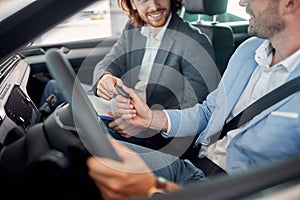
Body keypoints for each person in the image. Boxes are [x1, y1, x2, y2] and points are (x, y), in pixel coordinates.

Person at [86, 0, 300, 199]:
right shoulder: (248, 51)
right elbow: (208, 111)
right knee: (90, 153)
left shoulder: (194, 40)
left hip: (233, 188)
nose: (243, 1)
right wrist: (151, 118)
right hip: (195, 165)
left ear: (290, 2)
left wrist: (155, 190)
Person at [40, 0, 218, 151]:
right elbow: (109, 62)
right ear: (132, 3)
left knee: (69, 127)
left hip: (152, 131)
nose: (154, 6)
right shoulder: (133, 28)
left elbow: (196, 110)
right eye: (143, 0)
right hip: (121, 107)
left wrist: (147, 124)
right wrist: (105, 78)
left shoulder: (195, 42)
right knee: (53, 88)